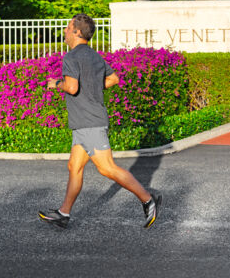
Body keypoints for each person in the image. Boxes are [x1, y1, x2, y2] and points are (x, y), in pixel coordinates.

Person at [38, 14, 161, 229]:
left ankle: (148, 199)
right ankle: (63, 213)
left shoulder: (71, 57)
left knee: (107, 168)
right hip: (85, 123)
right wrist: (93, 86)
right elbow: (114, 79)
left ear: (77, 32)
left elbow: (72, 87)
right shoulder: (95, 56)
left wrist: (56, 83)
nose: (65, 31)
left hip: (89, 122)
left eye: (68, 27)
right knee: (74, 166)